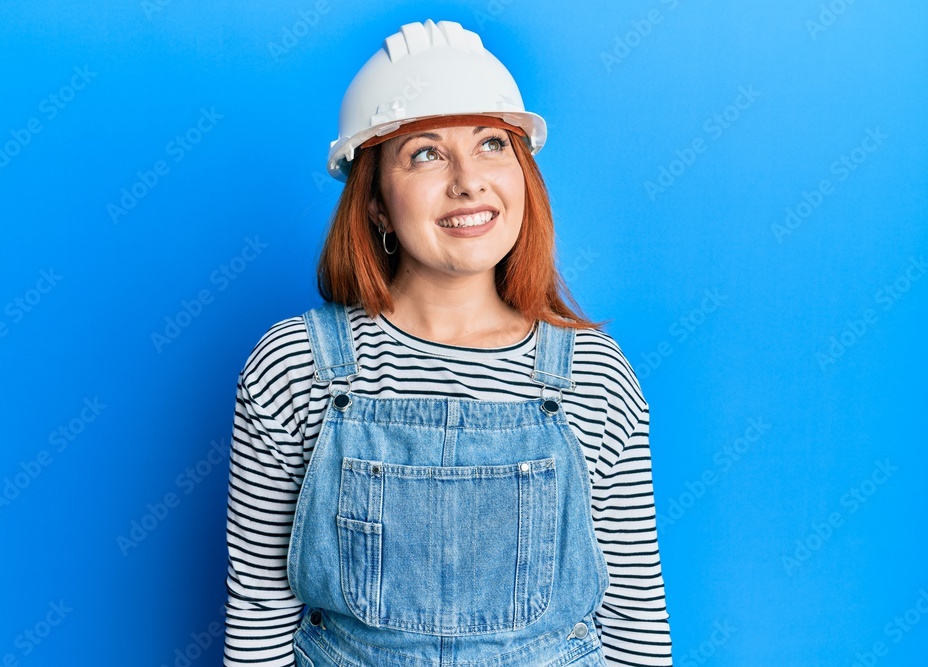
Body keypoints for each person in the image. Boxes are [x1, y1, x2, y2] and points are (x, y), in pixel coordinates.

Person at [223, 18, 672, 667]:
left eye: (492, 143)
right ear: (375, 201)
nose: (469, 180)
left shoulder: (593, 376)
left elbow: (634, 611)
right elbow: (260, 606)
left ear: (523, 172)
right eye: (426, 153)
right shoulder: (298, 367)